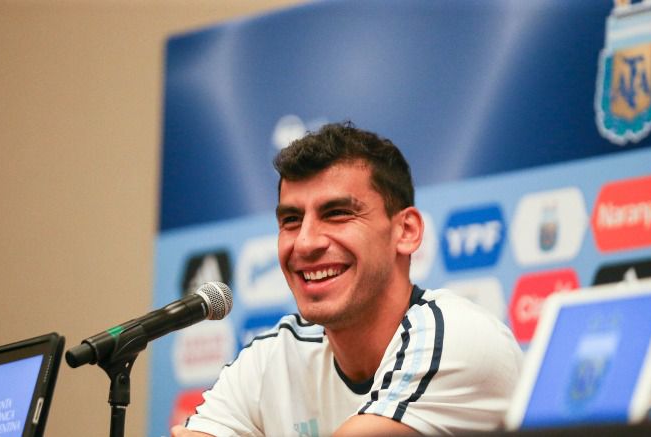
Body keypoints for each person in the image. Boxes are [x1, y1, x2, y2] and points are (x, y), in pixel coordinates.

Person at [172, 122, 523, 437]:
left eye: (337, 214)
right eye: (291, 220)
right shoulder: (273, 358)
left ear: (407, 231)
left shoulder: (457, 337)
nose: (306, 242)